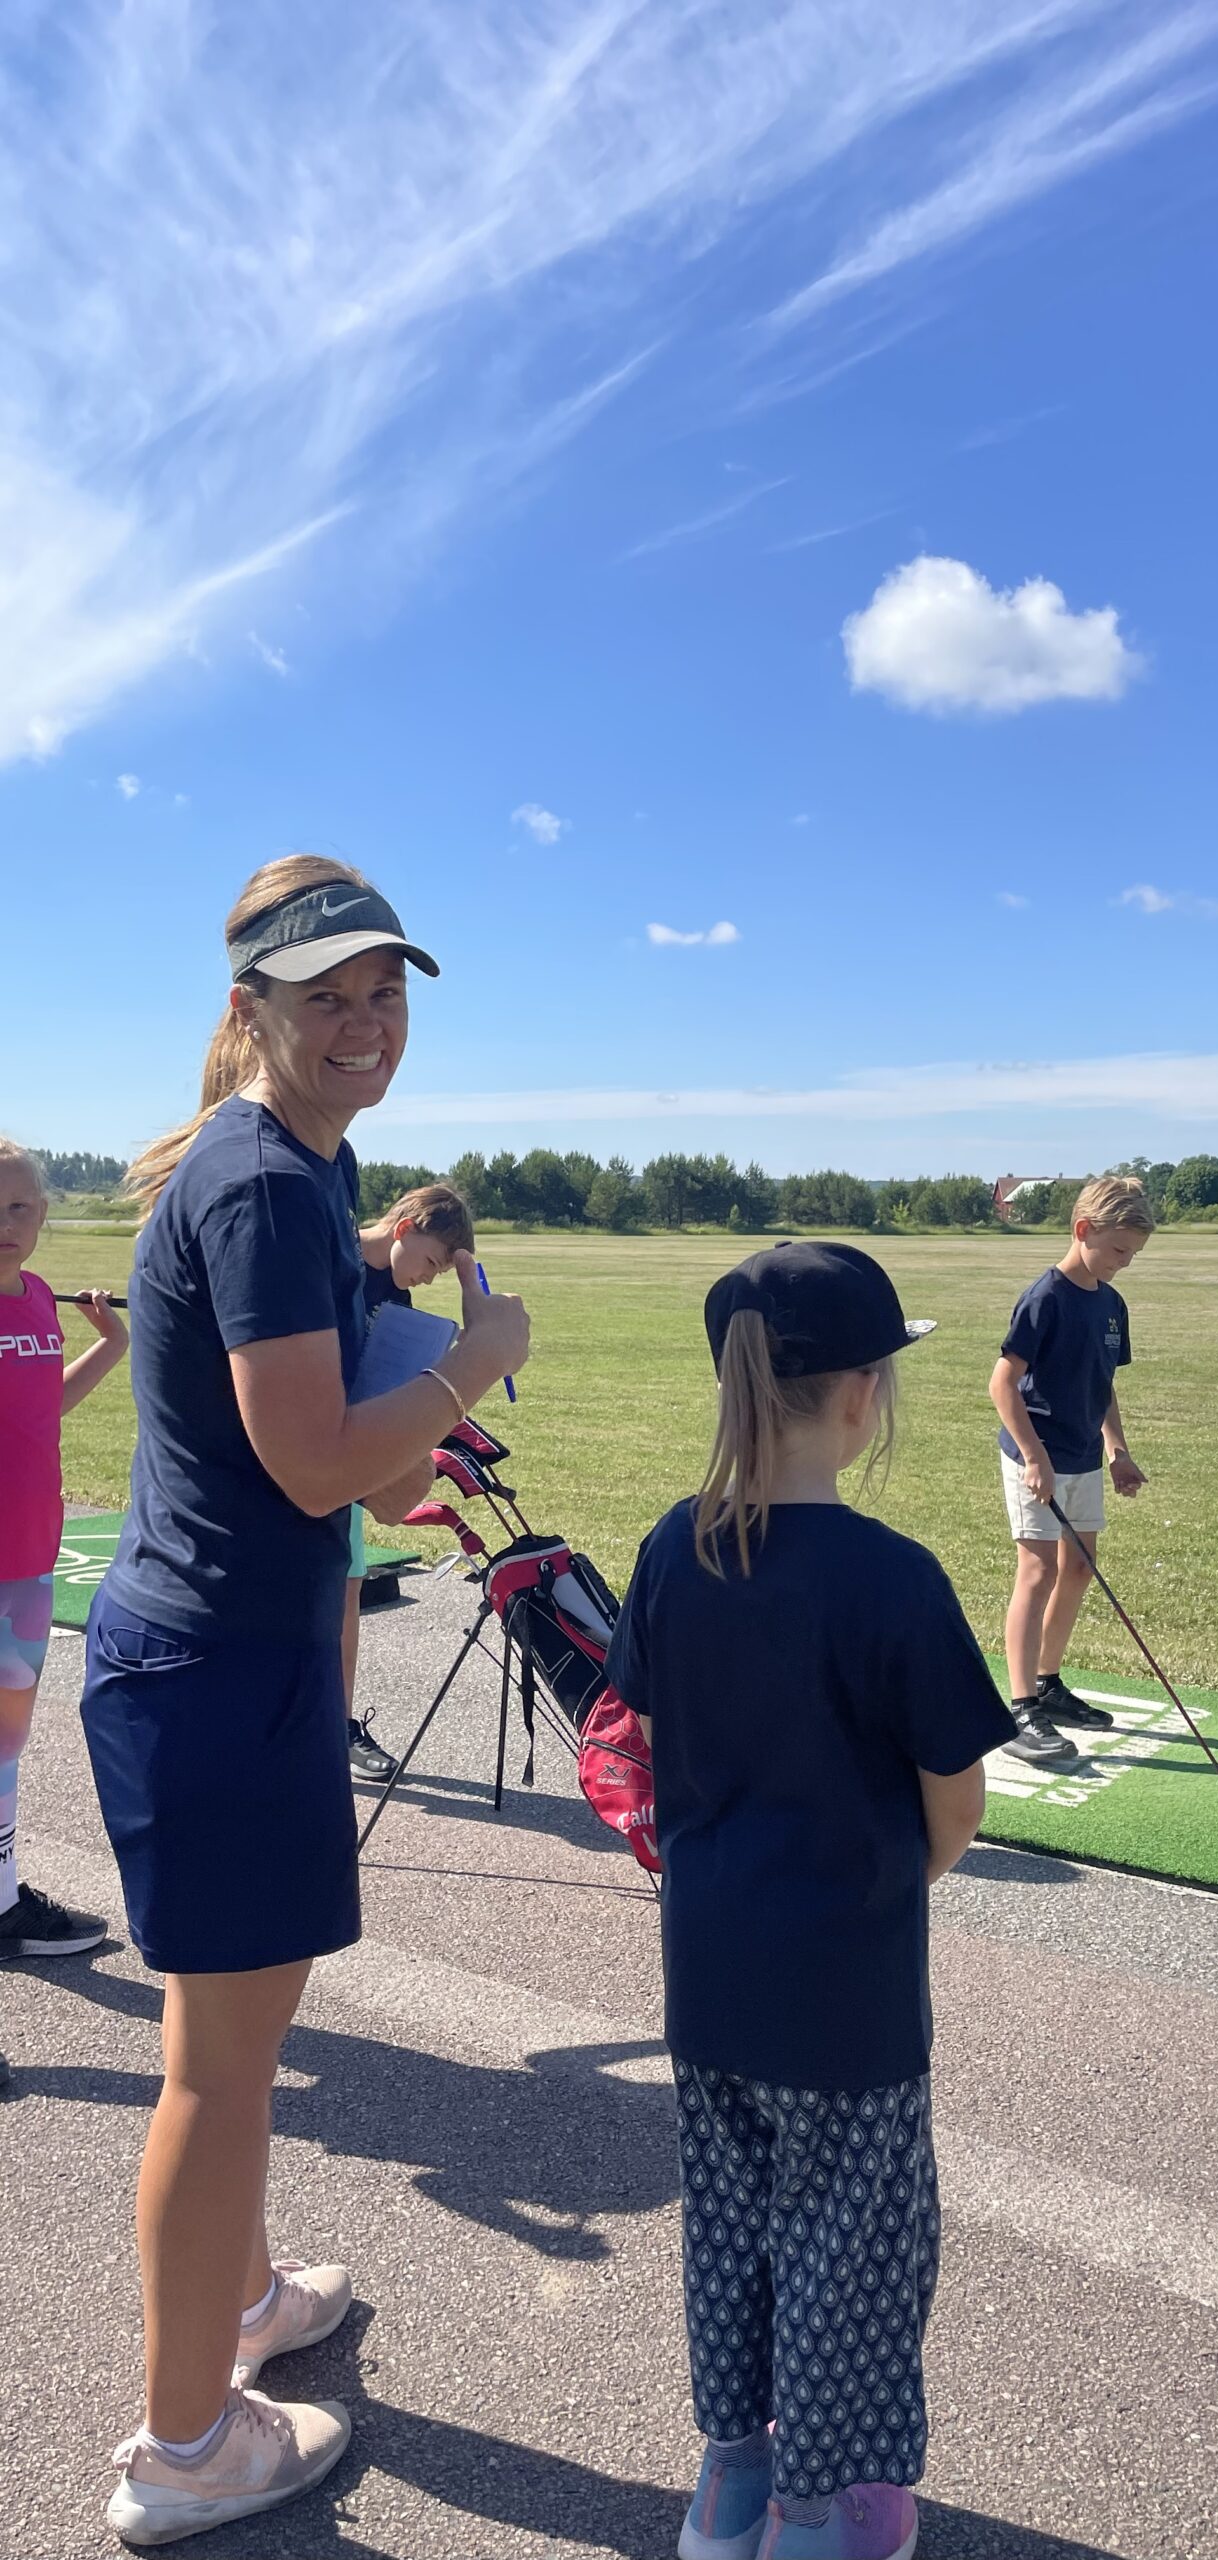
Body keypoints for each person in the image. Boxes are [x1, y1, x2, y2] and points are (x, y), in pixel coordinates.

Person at [78, 856, 531, 2548]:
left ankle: (246, 2302)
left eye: (384, 992)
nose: (365, 1022)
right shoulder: (263, 1184)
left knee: (238, 2065)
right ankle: (186, 2446)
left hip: (214, 1658)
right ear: (250, 1009)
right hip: (221, 1678)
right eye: (327, 994)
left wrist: (378, 1449)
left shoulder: (266, 1173)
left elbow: (302, 1455)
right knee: (219, 2075)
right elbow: (317, 1448)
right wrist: (483, 1354)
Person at [605, 1241, 1017, 2560]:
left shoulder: (675, 1546)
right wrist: (894, 1876)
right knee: (856, 2250)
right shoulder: (889, 1577)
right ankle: (816, 2507)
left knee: (730, 2230)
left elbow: (651, 1729)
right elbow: (955, 1804)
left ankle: (733, 2477)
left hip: (710, 1969)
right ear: (858, 1396)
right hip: (846, 1987)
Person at [0, 1137, 127, 1964]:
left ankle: (2, 1899)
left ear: (43, 1216)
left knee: (6, 1747)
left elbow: (44, 1406)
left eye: (18, 1207)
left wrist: (110, 1346)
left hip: (29, 1561)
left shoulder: (39, 1296)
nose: (3, 1224)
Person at [988, 1173, 1153, 1771]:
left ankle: (1048, 1681)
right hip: (1037, 1455)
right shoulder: (1046, 1298)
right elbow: (1001, 1383)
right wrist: (1034, 1457)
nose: (1124, 1263)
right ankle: (1021, 1706)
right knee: (1036, 1571)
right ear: (1083, 1231)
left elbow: (1103, 1384)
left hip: (1084, 1454)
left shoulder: (1111, 1305)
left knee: (1078, 1569)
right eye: (1117, 1250)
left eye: (1132, 1254)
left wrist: (1118, 1451)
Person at [343, 1181, 475, 1782]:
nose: (426, 1278)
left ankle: (337, 1726)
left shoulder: (401, 1301)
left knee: (344, 1587)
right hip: (299, 1449)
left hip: (351, 1455)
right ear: (405, 1227)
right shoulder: (326, 1257)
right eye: (430, 1262)